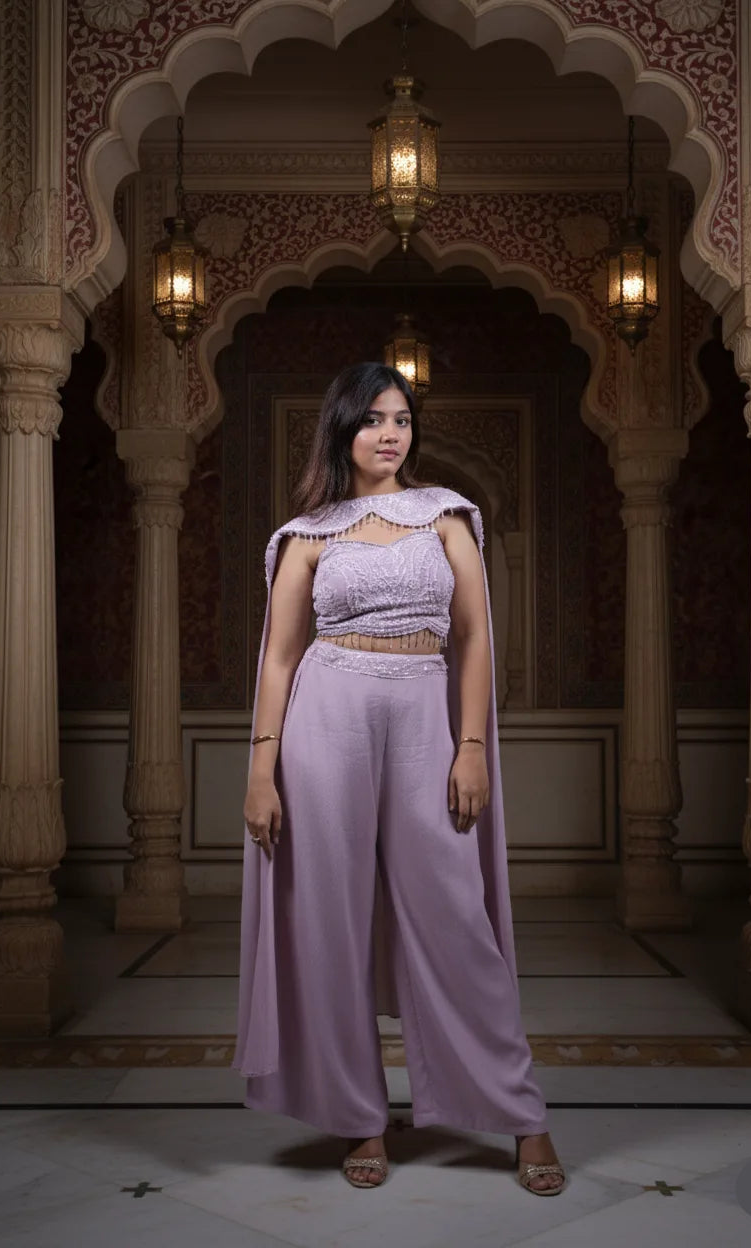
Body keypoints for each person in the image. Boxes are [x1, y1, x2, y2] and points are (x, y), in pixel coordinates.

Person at [234, 361, 565, 1196]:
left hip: (424, 713)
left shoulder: (447, 516)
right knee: (329, 921)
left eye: (402, 419)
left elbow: (475, 637)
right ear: (342, 428)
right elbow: (278, 659)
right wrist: (261, 770)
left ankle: (520, 1112)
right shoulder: (307, 535)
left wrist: (471, 746)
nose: (390, 433)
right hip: (325, 720)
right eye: (374, 419)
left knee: (456, 915)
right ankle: (361, 1116)